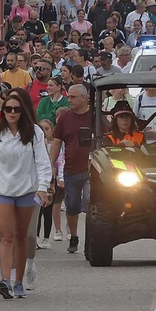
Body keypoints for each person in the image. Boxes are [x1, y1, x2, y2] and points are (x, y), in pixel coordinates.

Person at [0, 91, 50, 299]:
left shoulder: (34, 133)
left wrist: (43, 187)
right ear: (3, 112)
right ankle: (5, 280)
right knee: (7, 236)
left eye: (17, 109)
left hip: (27, 191)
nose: (12, 113)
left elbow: (42, 162)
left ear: (23, 112)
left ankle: (19, 281)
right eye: (8, 109)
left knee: (22, 236)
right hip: (2, 190)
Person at [49, 85, 92, 254]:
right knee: (72, 205)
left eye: (73, 97)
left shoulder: (94, 117)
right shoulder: (65, 118)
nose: (70, 100)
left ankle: (92, 237)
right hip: (71, 169)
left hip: (91, 170)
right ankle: (74, 236)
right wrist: (51, 165)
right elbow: (56, 142)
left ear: (84, 98)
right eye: (69, 97)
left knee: (90, 202)